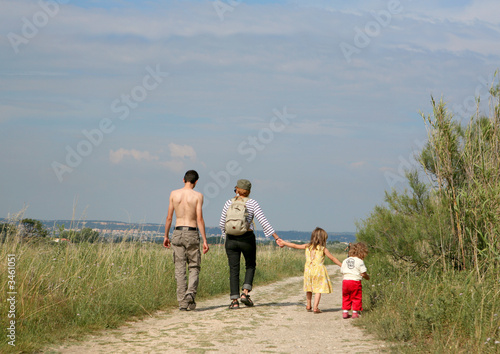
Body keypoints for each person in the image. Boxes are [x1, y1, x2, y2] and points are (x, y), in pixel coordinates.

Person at [219, 179, 283, 309]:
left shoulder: (228, 202)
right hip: (246, 238)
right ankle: (245, 293)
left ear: (236, 189)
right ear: (248, 191)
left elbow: (222, 223)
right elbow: (263, 221)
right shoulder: (252, 203)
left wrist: (226, 237)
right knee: (250, 265)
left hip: (231, 239)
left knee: (233, 269)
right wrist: (276, 237)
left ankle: (234, 301)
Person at [164, 170, 209, 311]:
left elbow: (169, 218)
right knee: (194, 266)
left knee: (179, 267)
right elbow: (199, 219)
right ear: (196, 182)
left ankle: (182, 303)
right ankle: (190, 293)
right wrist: (205, 240)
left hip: (177, 231)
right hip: (191, 231)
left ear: (183, 180)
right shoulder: (198, 196)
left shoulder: (174, 194)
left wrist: (166, 235)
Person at [280, 227, 342, 313]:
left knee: (309, 288)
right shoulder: (323, 249)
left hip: (308, 270)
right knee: (318, 289)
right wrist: (342, 265)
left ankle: (308, 305)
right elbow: (332, 258)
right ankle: (315, 307)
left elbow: (294, 246)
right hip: (319, 271)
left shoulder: (307, 246)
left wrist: (284, 242)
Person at [340, 242, 370, 319]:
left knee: (346, 296)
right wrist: (367, 277)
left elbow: (342, 271)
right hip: (355, 282)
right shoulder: (360, 261)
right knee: (356, 297)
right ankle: (355, 312)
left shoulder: (345, 260)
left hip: (346, 281)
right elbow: (363, 273)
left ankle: (345, 312)